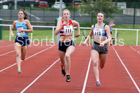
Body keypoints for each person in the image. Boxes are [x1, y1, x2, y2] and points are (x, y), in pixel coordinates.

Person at [83, 12, 111, 86]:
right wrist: (85, 41)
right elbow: (90, 35)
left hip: (103, 47)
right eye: (98, 16)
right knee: (95, 62)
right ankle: (97, 80)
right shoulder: (93, 26)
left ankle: (100, 66)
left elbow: (110, 38)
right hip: (95, 46)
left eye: (101, 16)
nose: (99, 17)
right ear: (96, 17)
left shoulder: (106, 27)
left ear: (103, 18)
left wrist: (104, 42)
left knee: (101, 66)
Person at [55, 9, 80, 82]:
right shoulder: (60, 22)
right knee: (62, 63)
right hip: (62, 44)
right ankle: (62, 68)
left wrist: (78, 33)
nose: (66, 15)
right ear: (62, 16)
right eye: (64, 14)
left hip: (70, 43)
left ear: (69, 15)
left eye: (67, 14)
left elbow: (78, 24)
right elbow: (56, 33)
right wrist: (61, 26)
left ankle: (68, 75)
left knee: (67, 56)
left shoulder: (72, 22)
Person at [10, 10, 33, 74]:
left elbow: (31, 30)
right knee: (18, 54)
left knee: (23, 58)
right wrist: (12, 33)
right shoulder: (15, 22)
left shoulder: (26, 22)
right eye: (19, 13)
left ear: (24, 15)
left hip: (25, 40)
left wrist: (23, 30)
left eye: (21, 13)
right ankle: (19, 69)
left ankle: (24, 55)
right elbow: (11, 29)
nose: (20, 14)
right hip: (18, 39)